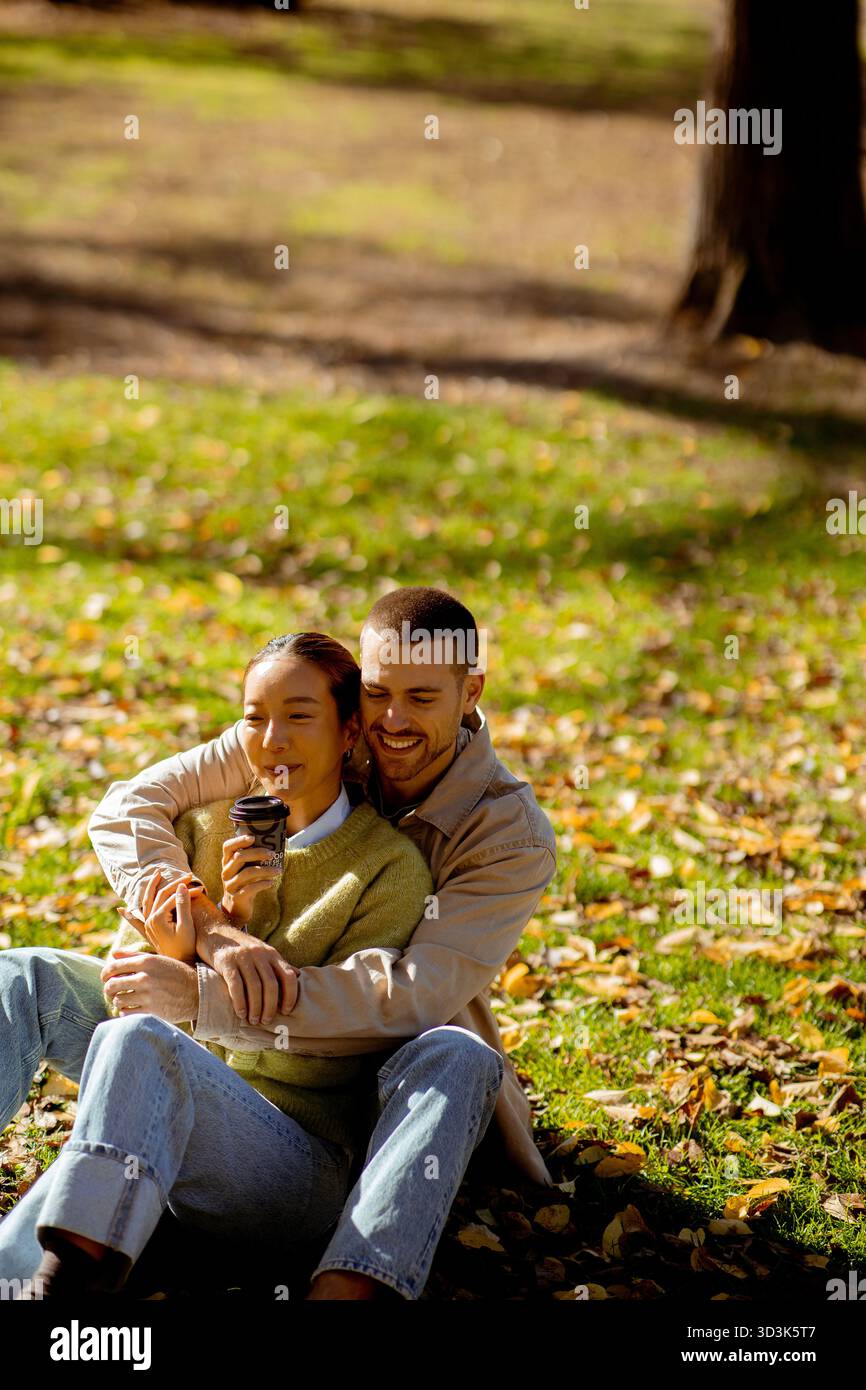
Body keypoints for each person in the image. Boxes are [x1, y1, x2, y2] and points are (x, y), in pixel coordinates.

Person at [86, 585, 559, 1300]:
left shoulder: (509, 835)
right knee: (26, 980)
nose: (392, 721)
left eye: (422, 698)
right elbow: (129, 805)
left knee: (457, 1052)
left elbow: (412, 999)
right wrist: (213, 933)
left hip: (376, 1078)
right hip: (225, 1052)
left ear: (471, 693)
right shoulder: (319, 725)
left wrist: (207, 999)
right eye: (378, 693)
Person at [0, 631, 452, 1298]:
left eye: (298, 716)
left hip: (289, 1162)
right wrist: (212, 931)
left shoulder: (388, 869)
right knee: (21, 973)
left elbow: (333, 1054)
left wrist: (202, 983)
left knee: (143, 1041)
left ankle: (63, 1290)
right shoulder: (203, 829)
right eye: (254, 718)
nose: (273, 740)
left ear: (350, 731)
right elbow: (131, 994)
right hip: (154, 1113)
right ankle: (47, 1277)